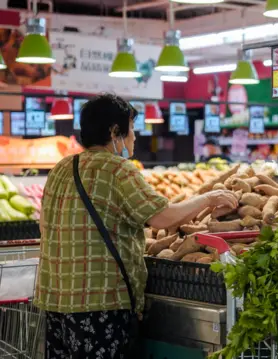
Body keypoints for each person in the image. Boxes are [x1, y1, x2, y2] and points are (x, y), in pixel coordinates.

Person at [35, 93, 238, 359]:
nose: (134, 137)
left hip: (55, 300)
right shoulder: (118, 169)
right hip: (99, 304)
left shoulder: (61, 169)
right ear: (114, 131)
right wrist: (209, 198)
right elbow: (162, 217)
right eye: (131, 130)